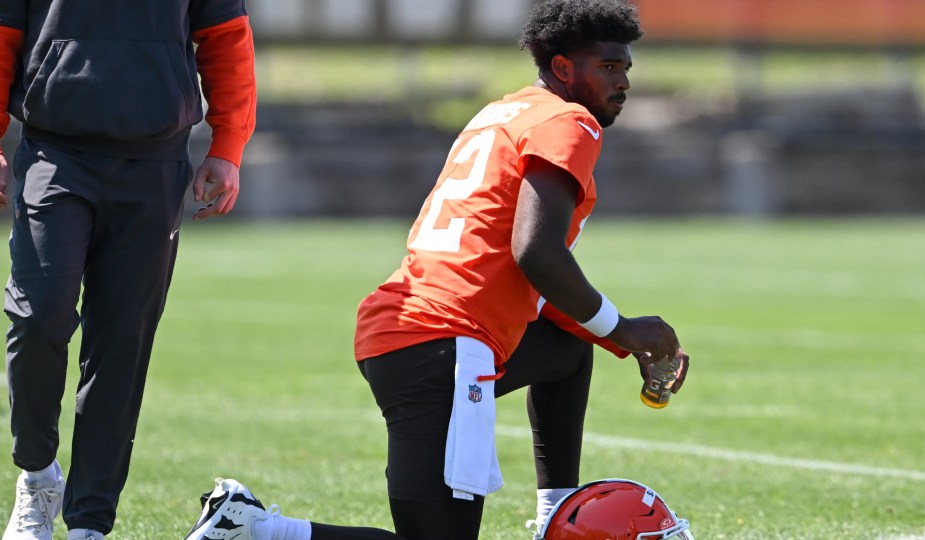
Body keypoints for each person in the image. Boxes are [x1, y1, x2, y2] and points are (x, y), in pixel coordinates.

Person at [184, 1, 688, 539]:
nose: (622, 81)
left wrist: (617, 337)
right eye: (608, 67)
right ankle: (251, 530)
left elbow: (534, 282)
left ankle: (556, 515)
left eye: (625, 68)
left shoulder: (505, 112)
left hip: (415, 328)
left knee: (567, 350)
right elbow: (538, 253)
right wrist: (624, 328)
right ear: (563, 68)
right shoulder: (570, 121)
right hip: (443, 343)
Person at [0, 1, 256, 538]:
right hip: (55, 153)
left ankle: (90, 522)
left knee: (122, 342)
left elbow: (227, 37)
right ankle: (38, 475)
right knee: (38, 316)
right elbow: (2, 34)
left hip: (155, 161)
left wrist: (228, 144)